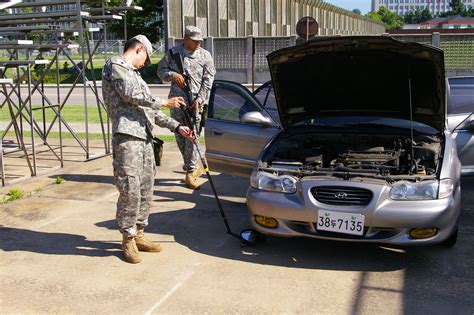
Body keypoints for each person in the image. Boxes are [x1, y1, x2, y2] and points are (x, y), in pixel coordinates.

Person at [102, 35, 194, 264]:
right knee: (130, 189)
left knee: (146, 188)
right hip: (127, 138)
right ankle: (127, 238)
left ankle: (139, 233)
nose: (145, 63)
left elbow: (150, 111)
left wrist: (178, 126)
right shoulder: (116, 66)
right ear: (139, 49)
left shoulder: (136, 75)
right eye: (146, 58)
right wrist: (165, 101)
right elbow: (131, 95)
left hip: (144, 138)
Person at [157, 25, 216, 189]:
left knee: (192, 135)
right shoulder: (173, 53)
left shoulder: (205, 56)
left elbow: (208, 81)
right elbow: (160, 71)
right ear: (185, 38)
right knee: (179, 135)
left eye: (199, 41)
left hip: (194, 103)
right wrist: (172, 75)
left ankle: (190, 171)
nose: (198, 43)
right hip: (176, 102)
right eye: (194, 40)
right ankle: (191, 167)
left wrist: (200, 100)